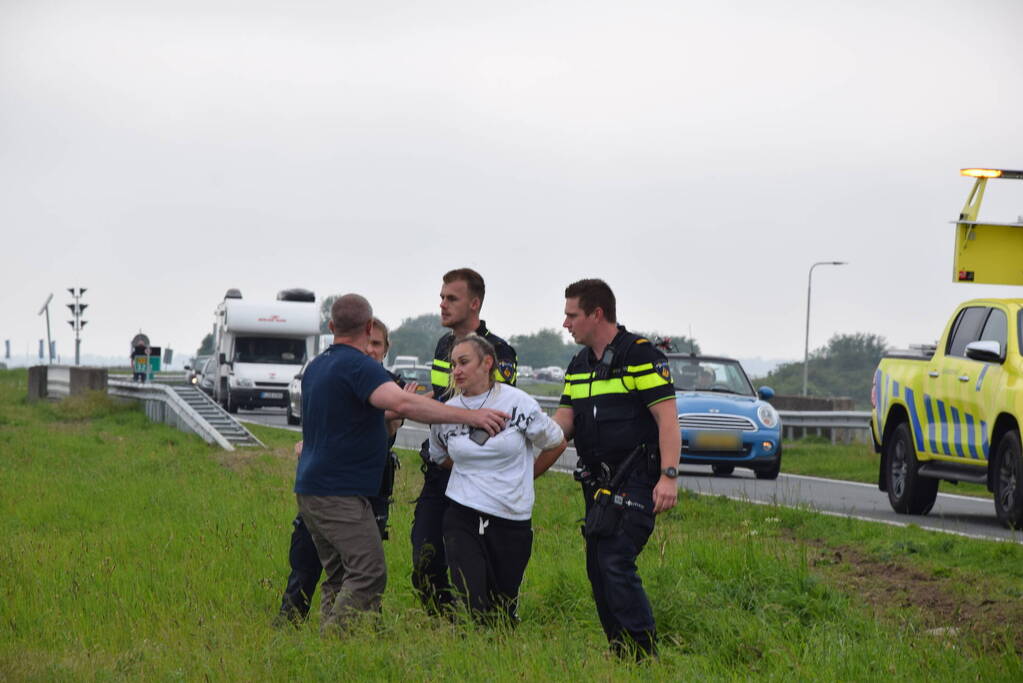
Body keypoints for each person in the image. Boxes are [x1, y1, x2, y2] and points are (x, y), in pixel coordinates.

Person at [294, 294, 508, 635]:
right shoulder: (358, 365)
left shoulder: (317, 366)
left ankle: (335, 649)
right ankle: (332, 639)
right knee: (368, 572)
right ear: (368, 327)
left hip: (310, 488)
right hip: (340, 493)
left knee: (340, 574)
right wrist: (472, 415)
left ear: (331, 326)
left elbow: (378, 410)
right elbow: (401, 404)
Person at [552, 278, 681, 660]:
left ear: (597, 314)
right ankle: (620, 650)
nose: (565, 324)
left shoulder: (640, 355)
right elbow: (562, 423)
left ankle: (643, 655)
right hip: (598, 483)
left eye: (571, 315)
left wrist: (669, 477)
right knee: (597, 566)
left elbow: (668, 420)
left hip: (637, 477)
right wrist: (522, 434)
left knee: (615, 561)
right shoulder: (579, 364)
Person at [275, 318, 415, 625]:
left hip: (368, 488)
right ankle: (293, 624)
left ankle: (359, 632)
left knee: (360, 568)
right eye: (368, 343)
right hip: (326, 485)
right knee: (306, 560)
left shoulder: (388, 384)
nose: (370, 350)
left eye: (377, 345)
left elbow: (391, 425)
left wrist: (402, 408)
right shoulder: (336, 372)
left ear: (386, 349)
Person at [428, 334, 566, 624]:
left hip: (510, 514)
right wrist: (473, 474)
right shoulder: (447, 410)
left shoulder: (518, 403)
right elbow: (439, 455)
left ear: (487, 362)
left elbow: (556, 442)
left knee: (502, 606)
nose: (457, 371)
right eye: (453, 364)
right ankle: (471, 651)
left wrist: (528, 476)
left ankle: (500, 650)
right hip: (462, 511)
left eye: (464, 362)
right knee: (472, 597)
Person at [411, 268, 518, 615]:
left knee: (474, 563)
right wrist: (412, 400)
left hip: (475, 473)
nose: (442, 304)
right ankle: (442, 622)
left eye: (451, 298)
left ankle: (487, 626)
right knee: (424, 555)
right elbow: (446, 397)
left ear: (474, 304)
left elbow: (494, 407)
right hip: (438, 467)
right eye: (441, 297)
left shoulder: (500, 352)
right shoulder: (444, 345)